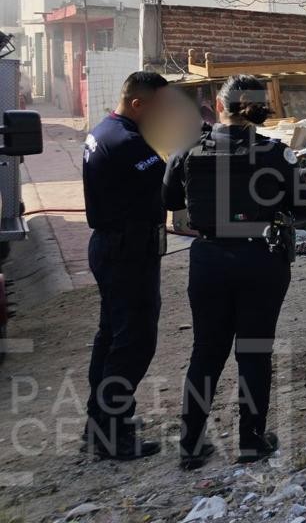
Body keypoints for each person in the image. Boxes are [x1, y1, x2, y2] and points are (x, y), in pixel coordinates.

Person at [162, 75, 306, 470]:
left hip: (209, 258)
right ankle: (251, 441)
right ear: (262, 107)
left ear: (218, 105)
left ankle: (191, 445)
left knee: (206, 352)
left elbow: (168, 199)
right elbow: (304, 212)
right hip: (260, 259)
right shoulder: (276, 155)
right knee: (253, 351)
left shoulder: (188, 150)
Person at [81, 71, 173, 460]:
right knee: (133, 342)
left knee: (111, 337)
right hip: (127, 251)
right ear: (138, 104)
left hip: (111, 246)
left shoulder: (104, 130)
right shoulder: (127, 143)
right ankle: (112, 433)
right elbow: (172, 183)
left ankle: (99, 422)